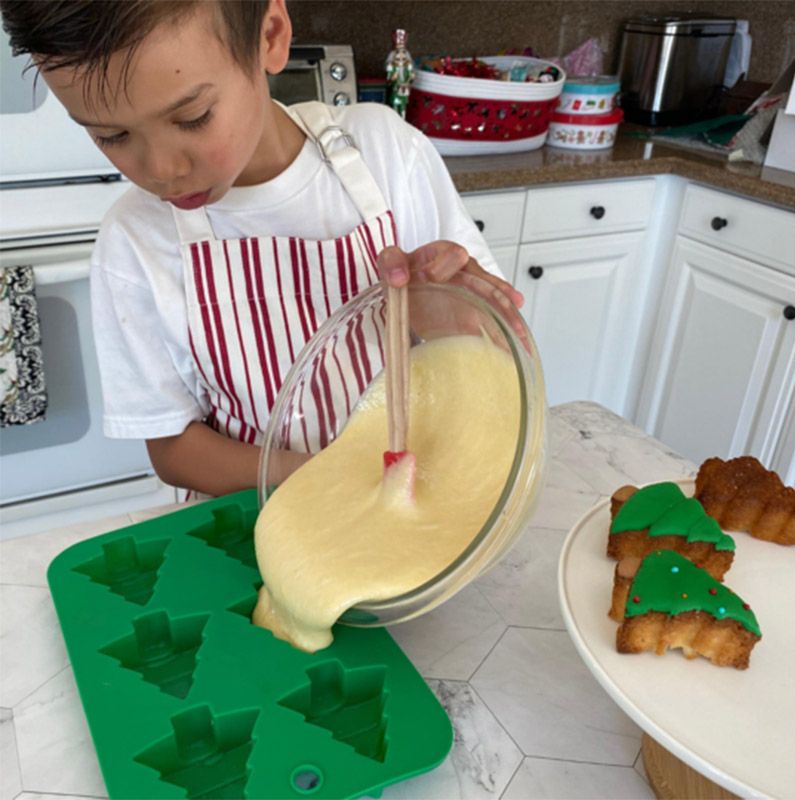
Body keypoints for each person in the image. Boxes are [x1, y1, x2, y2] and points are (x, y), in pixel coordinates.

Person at [0, 0, 524, 496]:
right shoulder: (136, 241)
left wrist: (448, 319)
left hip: (414, 500)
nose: (161, 170)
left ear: (269, 36)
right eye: (111, 136)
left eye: (192, 117)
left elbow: (502, 360)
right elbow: (172, 448)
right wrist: (333, 479)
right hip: (252, 523)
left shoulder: (386, 155)